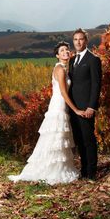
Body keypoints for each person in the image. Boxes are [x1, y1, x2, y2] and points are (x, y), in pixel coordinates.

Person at [8, 42, 87, 185]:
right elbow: (63, 92)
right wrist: (75, 109)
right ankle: (54, 170)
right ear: (57, 55)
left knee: (58, 137)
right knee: (57, 136)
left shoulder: (63, 67)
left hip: (59, 105)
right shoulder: (60, 70)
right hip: (59, 105)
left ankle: (57, 167)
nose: (66, 52)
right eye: (62, 51)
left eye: (67, 50)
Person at [68, 28, 102, 180]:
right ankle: (84, 170)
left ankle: (92, 173)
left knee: (88, 140)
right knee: (79, 140)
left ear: (86, 41)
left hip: (86, 107)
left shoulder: (93, 59)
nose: (78, 42)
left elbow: (96, 85)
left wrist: (91, 106)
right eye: (75, 39)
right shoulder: (72, 60)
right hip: (74, 109)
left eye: (81, 39)